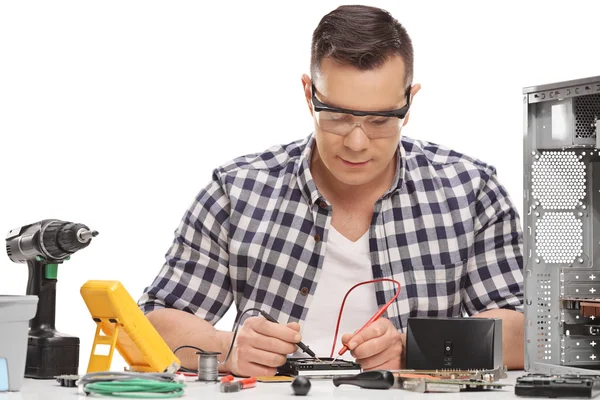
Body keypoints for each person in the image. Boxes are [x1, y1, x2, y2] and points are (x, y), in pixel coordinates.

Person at [138, 4, 524, 377]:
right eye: (338, 116)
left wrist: (415, 349)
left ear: (409, 104)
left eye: (380, 119)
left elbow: (528, 332)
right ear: (309, 94)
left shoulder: (470, 191)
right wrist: (227, 348)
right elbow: (150, 324)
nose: (357, 142)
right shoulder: (237, 191)